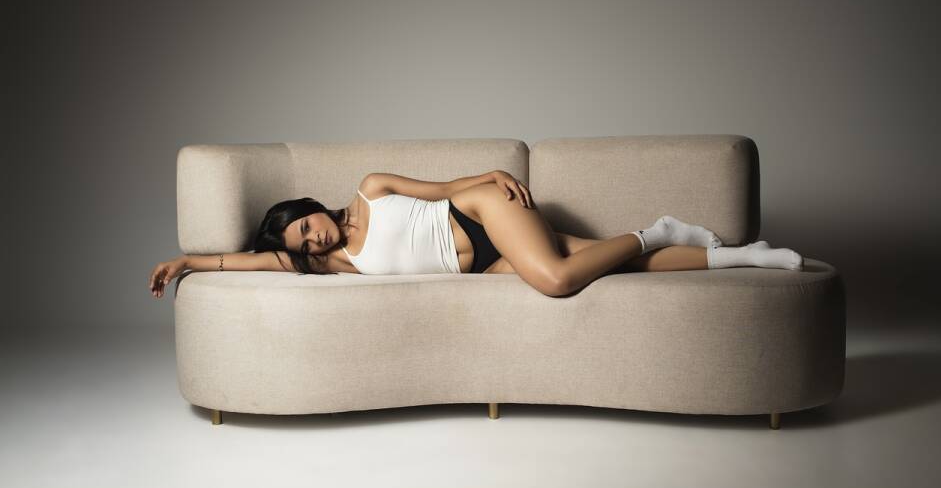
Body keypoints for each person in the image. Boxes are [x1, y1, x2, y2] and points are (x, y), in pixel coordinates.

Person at [149, 167, 802, 300]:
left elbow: (442, 191)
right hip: (481, 266)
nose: (313, 240)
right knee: (617, 267)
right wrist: (187, 261)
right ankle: (746, 258)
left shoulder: (369, 188)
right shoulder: (334, 265)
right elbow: (249, 263)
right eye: (302, 246)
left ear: (310, 208)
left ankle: (655, 229)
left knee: (556, 281)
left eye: (306, 227)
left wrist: (491, 179)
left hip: (480, 214)